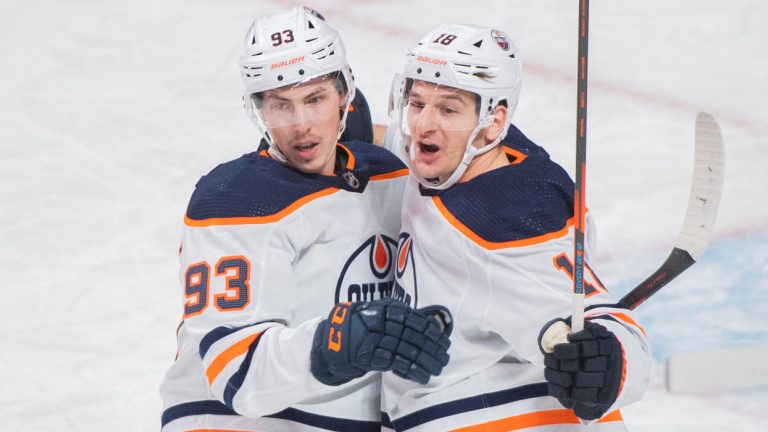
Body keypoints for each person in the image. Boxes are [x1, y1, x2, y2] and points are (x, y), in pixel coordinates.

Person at [159, 7, 452, 431]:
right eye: (281, 106)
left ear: (345, 96)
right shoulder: (237, 200)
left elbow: (473, 157)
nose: (301, 126)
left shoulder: (388, 173)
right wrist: (335, 343)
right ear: (257, 108)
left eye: (315, 99)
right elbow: (238, 374)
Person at [380, 24, 652, 431]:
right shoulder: (465, 150)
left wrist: (609, 360)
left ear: (493, 121)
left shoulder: (506, 220)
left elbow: (602, 322)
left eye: (448, 109)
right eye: (417, 103)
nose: (423, 125)